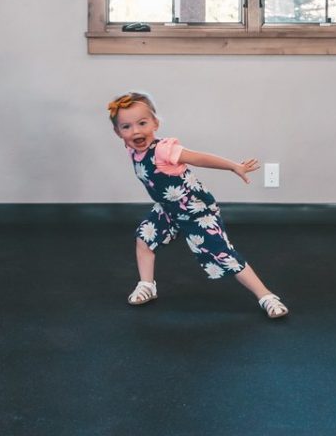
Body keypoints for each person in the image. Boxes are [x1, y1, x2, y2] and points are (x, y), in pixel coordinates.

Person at [106, 91, 289, 319]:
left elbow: (199, 158)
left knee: (223, 254)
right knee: (144, 239)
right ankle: (147, 285)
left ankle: (266, 296)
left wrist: (233, 166)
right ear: (118, 133)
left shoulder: (164, 149)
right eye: (126, 127)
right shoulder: (133, 148)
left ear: (155, 123)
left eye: (142, 123)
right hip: (168, 210)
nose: (135, 131)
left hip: (195, 210)